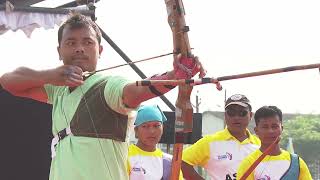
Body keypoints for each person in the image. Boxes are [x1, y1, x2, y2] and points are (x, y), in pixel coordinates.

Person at [0, 13, 205, 180]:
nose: (79, 48)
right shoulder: (58, 88)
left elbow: (134, 92)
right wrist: (51, 75)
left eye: (88, 42)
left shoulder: (108, 85)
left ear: (100, 50)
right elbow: (9, 82)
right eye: (70, 42)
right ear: (59, 51)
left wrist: (174, 76)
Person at [181, 94, 261, 180]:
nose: (236, 117)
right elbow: (181, 162)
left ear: (251, 116)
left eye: (242, 113)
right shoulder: (210, 142)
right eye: (231, 113)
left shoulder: (260, 145)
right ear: (225, 116)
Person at [237, 106, 312, 180]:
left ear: (281, 129)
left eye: (274, 126)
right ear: (256, 130)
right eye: (265, 127)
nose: (270, 131)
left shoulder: (296, 163)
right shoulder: (249, 163)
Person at [127, 105, 182, 180]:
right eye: (145, 126)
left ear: (162, 129)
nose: (152, 131)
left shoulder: (169, 162)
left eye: (156, 126)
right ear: (136, 131)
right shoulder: (125, 156)